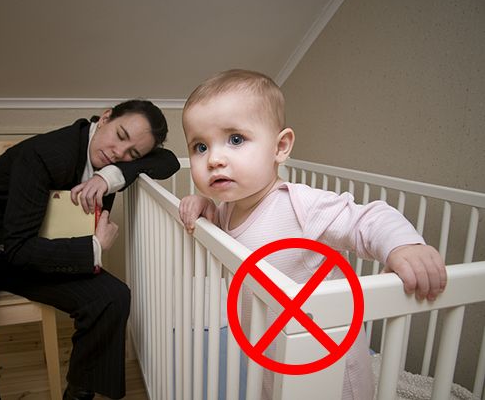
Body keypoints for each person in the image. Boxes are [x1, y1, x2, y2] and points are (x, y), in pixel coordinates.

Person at [178, 69, 447, 400]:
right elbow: (220, 235)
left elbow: (367, 218)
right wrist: (204, 205)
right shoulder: (227, 210)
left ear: (280, 147)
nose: (214, 159)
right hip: (270, 349)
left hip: (327, 360)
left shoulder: (300, 205)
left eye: (235, 139)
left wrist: (403, 245)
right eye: (200, 146)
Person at [0, 99, 180, 400]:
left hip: (29, 251)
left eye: (133, 154)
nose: (119, 153)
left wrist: (110, 176)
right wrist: (94, 248)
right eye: (120, 136)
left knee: (112, 297)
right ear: (105, 117)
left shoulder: (111, 165)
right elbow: (18, 248)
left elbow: (168, 161)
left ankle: (79, 394)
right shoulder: (46, 153)